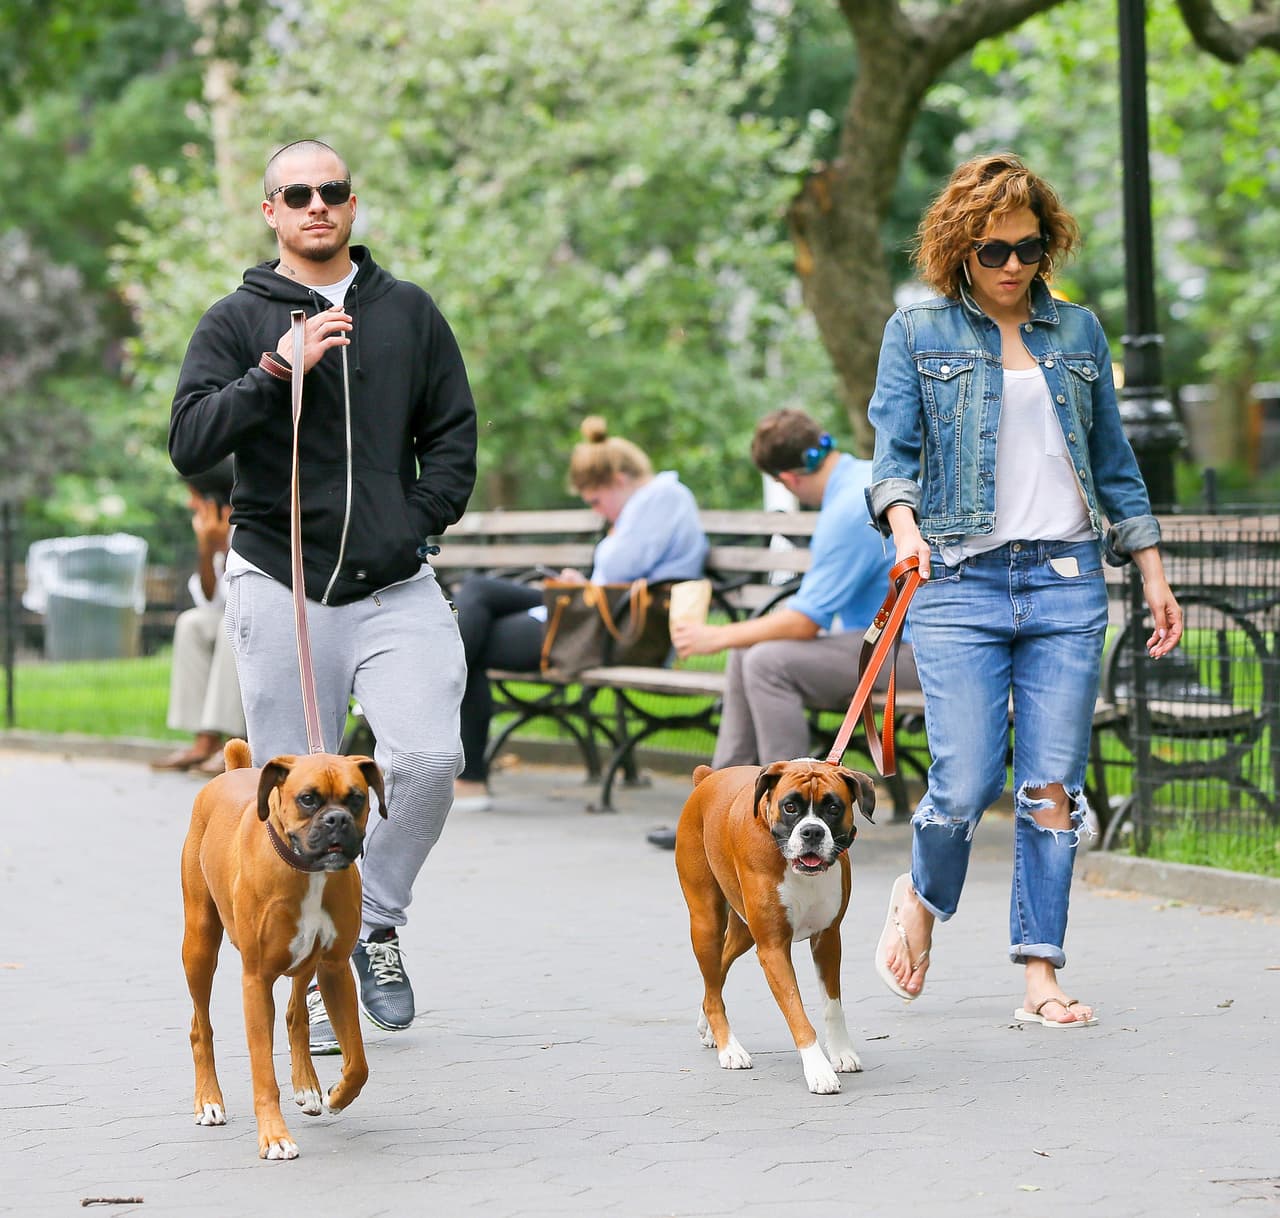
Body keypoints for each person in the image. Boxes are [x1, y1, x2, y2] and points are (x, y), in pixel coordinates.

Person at [169, 138, 476, 1053]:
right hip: (281, 581)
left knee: (428, 760)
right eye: (296, 193)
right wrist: (275, 370)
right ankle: (303, 982)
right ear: (270, 210)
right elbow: (190, 441)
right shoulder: (236, 319)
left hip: (393, 585)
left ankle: (370, 923)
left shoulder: (409, 312)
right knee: (291, 799)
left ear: (351, 202)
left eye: (330, 191)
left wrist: (411, 523)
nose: (316, 205)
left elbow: (452, 435)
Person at [865, 152, 1182, 1027]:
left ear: (1048, 246)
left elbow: (1114, 463)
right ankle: (921, 897)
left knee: (1051, 791)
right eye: (994, 251)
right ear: (960, 249)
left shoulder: (1078, 333)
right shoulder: (918, 332)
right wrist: (906, 532)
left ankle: (1041, 972)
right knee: (966, 782)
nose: (1013, 266)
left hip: (1066, 581)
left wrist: (1152, 569)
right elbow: (893, 458)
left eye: (1029, 248)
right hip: (958, 579)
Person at [646, 408, 916, 850]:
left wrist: (714, 636)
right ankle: (715, 808)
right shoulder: (860, 478)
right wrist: (737, 639)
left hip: (911, 652)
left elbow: (805, 622)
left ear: (787, 480)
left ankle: (787, 817)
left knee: (768, 661)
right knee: (749, 652)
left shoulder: (850, 506)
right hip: (876, 645)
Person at [451, 416, 708, 811]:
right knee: (478, 591)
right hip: (595, 617)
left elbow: (621, 566)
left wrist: (603, 556)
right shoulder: (649, 502)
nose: (598, 512)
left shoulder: (663, 498)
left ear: (618, 480)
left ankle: (465, 771)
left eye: (595, 500)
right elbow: (616, 575)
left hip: (612, 632)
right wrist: (581, 580)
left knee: (470, 643)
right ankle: (452, 730)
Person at [150, 459, 246, 776]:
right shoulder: (216, 530)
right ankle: (204, 741)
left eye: (195, 496)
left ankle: (234, 744)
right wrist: (209, 549)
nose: (191, 504)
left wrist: (227, 549)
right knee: (191, 623)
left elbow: (243, 598)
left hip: (266, 623)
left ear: (215, 500)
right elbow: (209, 600)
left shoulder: (249, 525)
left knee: (230, 623)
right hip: (231, 615)